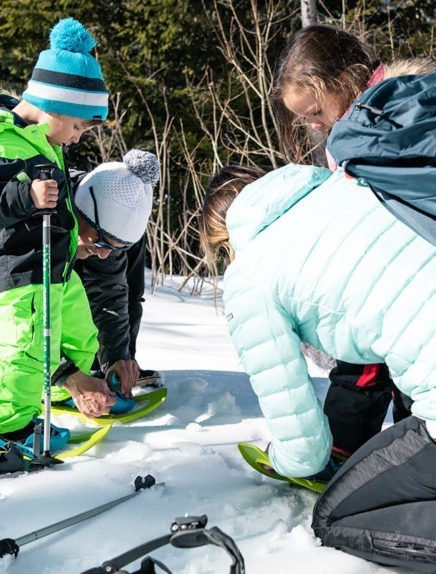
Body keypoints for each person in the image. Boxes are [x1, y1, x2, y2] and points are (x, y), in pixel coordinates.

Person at [200, 162, 436, 571]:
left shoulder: (251, 273)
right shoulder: (347, 185)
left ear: (223, 236)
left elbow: (306, 451)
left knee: (334, 517)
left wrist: (284, 457)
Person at [269, 24, 418, 464]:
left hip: (403, 279)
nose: (313, 125)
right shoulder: (360, 123)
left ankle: (376, 458)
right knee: (368, 365)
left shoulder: (381, 119)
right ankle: (360, 450)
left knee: (379, 368)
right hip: (385, 279)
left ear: (342, 82)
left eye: (315, 111)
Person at [0, 17, 115, 445]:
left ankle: (64, 390)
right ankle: (8, 430)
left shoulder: (45, 141)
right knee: (23, 356)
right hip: (20, 273)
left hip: (55, 268)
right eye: (79, 126)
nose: (78, 137)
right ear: (56, 105)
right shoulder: (5, 141)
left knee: (77, 336)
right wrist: (25, 196)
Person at [73, 149, 160, 396]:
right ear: (84, 214)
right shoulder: (45, 218)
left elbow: (112, 294)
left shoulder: (111, 234)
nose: (104, 255)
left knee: (127, 289)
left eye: (115, 248)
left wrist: (119, 358)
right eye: (102, 245)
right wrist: (68, 374)